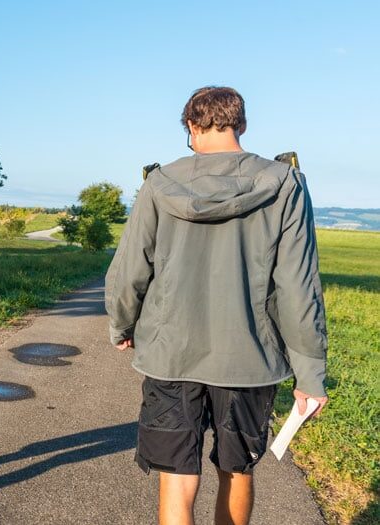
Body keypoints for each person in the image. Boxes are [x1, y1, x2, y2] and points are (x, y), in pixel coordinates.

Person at [105, 86, 329, 525]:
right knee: (236, 469)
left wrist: (122, 325)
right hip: (249, 361)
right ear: (241, 125)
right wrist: (311, 375)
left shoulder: (158, 183)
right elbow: (299, 286)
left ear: (190, 126)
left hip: (171, 356)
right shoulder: (285, 183)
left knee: (176, 475)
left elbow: (131, 267)